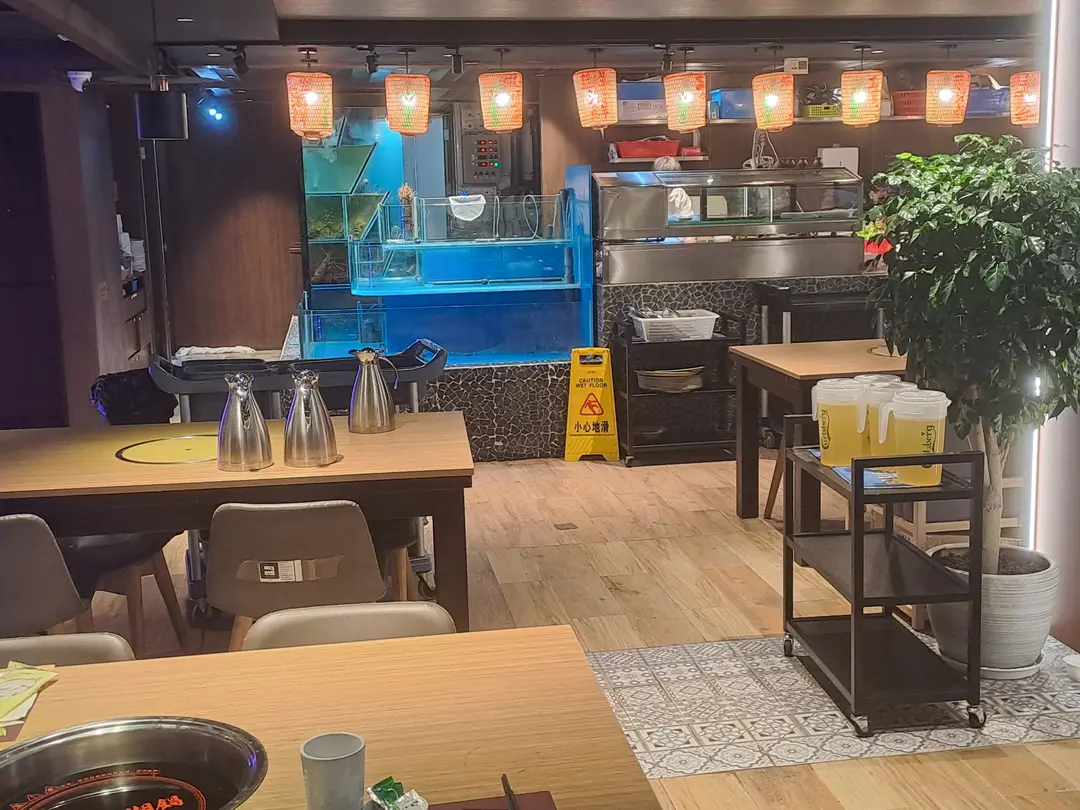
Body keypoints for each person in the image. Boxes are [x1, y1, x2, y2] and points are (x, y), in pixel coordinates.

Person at [653, 155, 695, 220]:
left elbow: (688, 216)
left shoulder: (680, 192)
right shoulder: (650, 192)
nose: (670, 179)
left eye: (673, 176)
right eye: (666, 176)